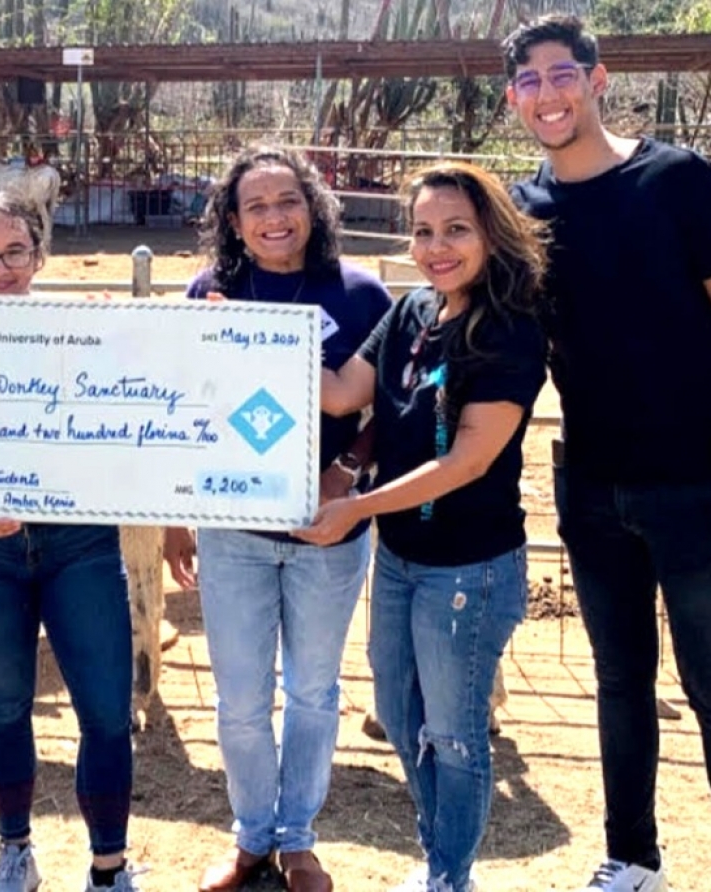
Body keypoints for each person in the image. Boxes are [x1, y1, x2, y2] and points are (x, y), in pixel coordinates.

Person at [503, 15, 711, 892]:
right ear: (514, 100)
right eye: (528, 83)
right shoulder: (522, 210)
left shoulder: (679, 180)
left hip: (696, 479)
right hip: (587, 482)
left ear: (596, 78)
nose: (546, 96)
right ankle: (632, 856)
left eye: (561, 75)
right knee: (620, 681)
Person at [303, 161, 548, 892]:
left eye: (456, 230)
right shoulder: (412, 312)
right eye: (423, 231)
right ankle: (442, 860)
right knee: (397, 713)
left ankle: (449, 874)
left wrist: (355, 506)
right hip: (405, 558)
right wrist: (246, 338)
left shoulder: (508, 331)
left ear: (491, 235)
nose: (436, 247)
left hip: (469, 566)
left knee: (454, 733)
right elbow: (345, 392)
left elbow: (467, 462)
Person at [164, 145, 392, 892]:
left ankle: (298, 837)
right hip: (235, 532)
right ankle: (251, 834)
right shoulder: (208, 292)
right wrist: (173, 512)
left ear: (314, 206)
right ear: (233, 219)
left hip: (331, 533)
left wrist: (348, 470)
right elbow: (180, 402)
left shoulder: (359, 293)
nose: (273, 218)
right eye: (255, 206)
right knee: (238, 694)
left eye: (287, 201)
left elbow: (394, 406)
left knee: (315, 690)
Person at [0, 192, 142, 892]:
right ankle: (14, 849)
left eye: (16, 252)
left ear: (40, 255)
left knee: (108, 711)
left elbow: (144, 396)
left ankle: (110, 866)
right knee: (4, 706)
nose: (0, 269)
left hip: (79, 541)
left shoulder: (81, 329)